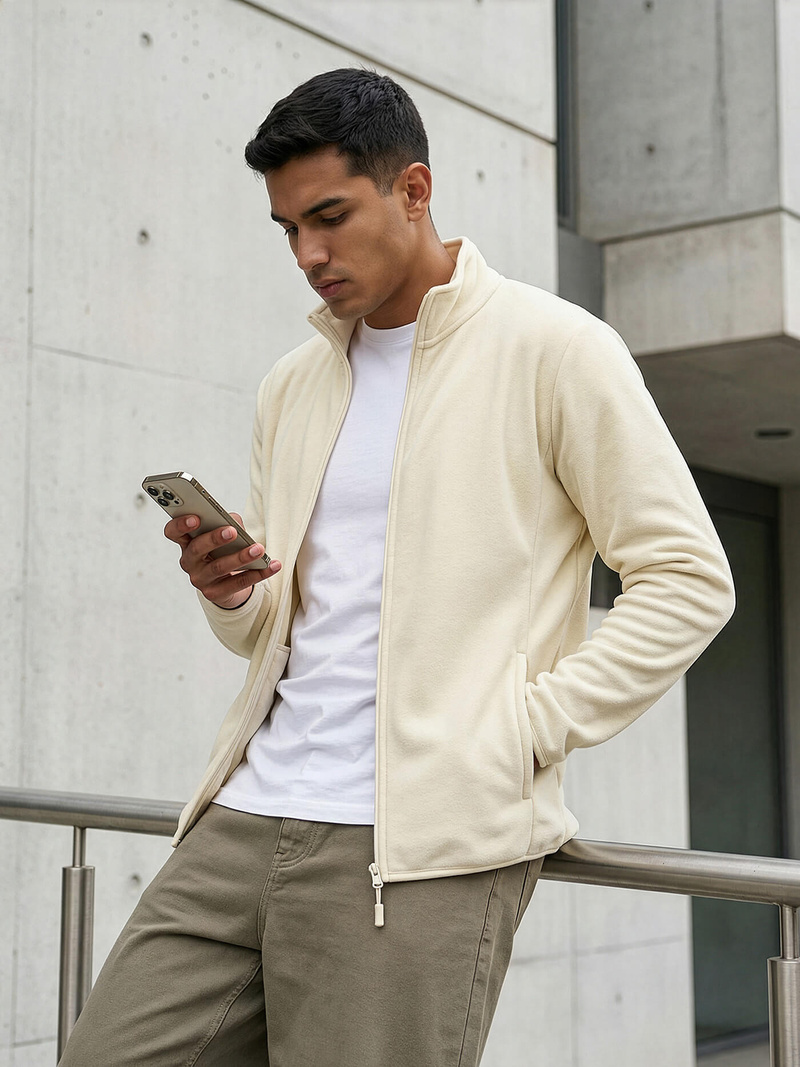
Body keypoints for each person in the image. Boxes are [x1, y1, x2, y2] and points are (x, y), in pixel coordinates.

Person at [60, 68, 734, 1066]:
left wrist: (521, 729)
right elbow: (277, 621)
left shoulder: (554, 350)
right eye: (288, 228)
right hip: (246, 811)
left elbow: (686, 577)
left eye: (329, 217)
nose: (308, 253)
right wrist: (232, 591)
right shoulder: (294, 382)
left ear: (412, 190)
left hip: (420, 847)